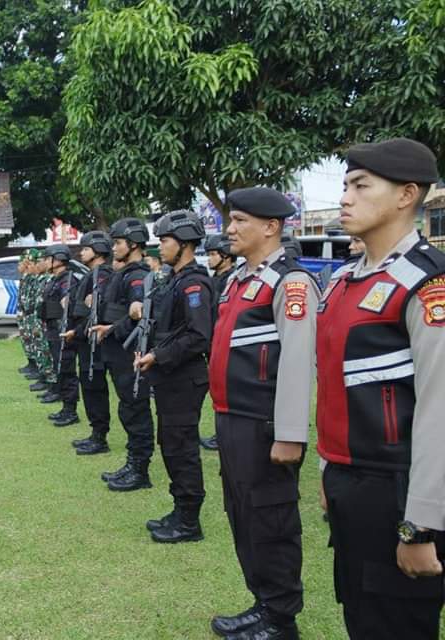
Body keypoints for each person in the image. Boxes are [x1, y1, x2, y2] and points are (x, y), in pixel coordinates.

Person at [317, 138, 445, 639]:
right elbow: (335, 389)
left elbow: (439, 411)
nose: (346, 197)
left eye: (360, 185)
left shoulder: (426, 284)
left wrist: (420, 525)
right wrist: (330, 474)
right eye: (345, 185)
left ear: (406, 195)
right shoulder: (348, 280)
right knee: (363, 614)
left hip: (400, 491)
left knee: (397, 623)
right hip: (353, 486)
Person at [208, 188, 318, 640]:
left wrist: (290, 433)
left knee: (271, 519)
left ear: (271, 227)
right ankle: (262, 602)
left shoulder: (290, 283)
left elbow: (297, 360)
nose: (229, 229)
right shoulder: (239, 279)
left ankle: (281, 617)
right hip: (232, 419)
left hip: (264, 423)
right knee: (244, 515)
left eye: (239, 220)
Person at [135, 210, 213, 543]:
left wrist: (158, 355)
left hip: (184, 379)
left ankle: (189, 521)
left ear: (184, 243)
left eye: (165, 241)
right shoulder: (175, 279)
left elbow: (199, 335)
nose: (160, 247)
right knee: (169, 443)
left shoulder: (194, 283)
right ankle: (179, 509)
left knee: (181, 447)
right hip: (169, 378)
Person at [89, 218, 156, 491]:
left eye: (118, 243)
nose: (113, 247)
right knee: (128, 408)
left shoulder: (138, 275)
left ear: (134, 245)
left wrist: (113, 327)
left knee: (135, 409)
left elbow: (140, 312)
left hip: (130, 353)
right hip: (117, 351)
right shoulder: (125, 273)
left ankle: (140, 470)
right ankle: (132, 463)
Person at [65, 231, 115, 454]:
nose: (82, 252)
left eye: (86, 249)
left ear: (98, 250)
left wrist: (77, 330)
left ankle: (100, 437)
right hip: (84, 338)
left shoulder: (103, 275)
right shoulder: (91, 274)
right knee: (89, 385)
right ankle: (95, 432)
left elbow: (96, 309)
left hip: (93, 341)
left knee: (95, 387)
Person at [201, 234, 236, 452]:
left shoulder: (233, 279)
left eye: (214, 254)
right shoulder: (213, 279)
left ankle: (225, 435)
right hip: (211, 339)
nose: (210, 259)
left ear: (226, 256)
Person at [40, 244, 80, 423]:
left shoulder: (67, 280)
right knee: (60, 368)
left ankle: (71, 410)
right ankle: (65, 406)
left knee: (66, 370)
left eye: (47, 258)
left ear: (57, 259)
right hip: (53, 330)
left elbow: (68, 302)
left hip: (63, 332)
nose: (45, 261)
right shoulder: (55, 279)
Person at [27, 250, 56, 393]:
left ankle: (52, 384)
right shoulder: (39, 279)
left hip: (46, 321)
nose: (38, 265)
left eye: (39, 261)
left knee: (47, 352)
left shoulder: (50, 280)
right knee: (41, 349)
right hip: (37, 318)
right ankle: (45, 378)